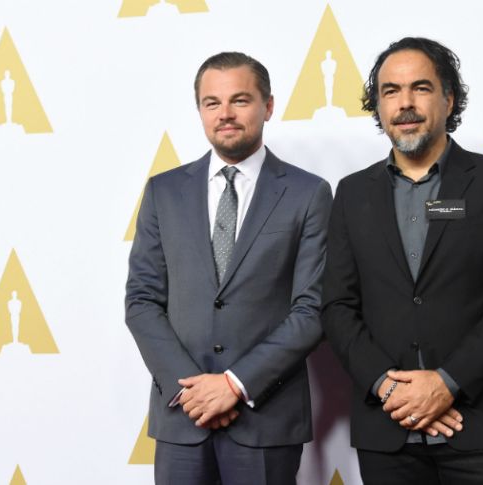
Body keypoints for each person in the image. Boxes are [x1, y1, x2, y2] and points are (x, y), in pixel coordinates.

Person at [321, 37, 483, 484]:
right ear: (378, 105)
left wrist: (447, 383)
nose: (405, 103)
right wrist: (387, 387)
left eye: (420, 88)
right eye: (390, 91)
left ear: (449, 99)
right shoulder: (352, 193)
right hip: (387, 431)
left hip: (480, 429)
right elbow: (337, 307)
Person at [125, 51, 332, 485]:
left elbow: (312, 309)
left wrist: (235, 384)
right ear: (200, 110)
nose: (225, 114)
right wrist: (190, 390)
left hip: (266, 419)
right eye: (212, 102)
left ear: (268, 106)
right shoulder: (163, 192)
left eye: (240, 100)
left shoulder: (308, 193)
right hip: (182, 417)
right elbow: (142, 301)